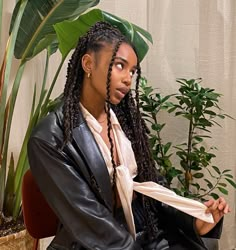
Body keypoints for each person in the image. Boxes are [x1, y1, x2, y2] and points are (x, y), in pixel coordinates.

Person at [27, 21, 230, 250]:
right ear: (88, 63)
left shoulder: (123, 123)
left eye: (132, 71)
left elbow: (153, 188)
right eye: (120, 66)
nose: (128, 78)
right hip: (95, 242)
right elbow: (89, 221)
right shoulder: (49, 138)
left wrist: (194, 220)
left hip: (147, 232)